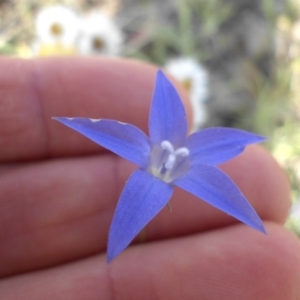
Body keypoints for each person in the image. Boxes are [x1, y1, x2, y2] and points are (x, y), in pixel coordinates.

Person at [0, 57, 299, 299]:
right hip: (150, 180)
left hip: (157, 179)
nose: (168, 154)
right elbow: (100, 131)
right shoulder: (149, 170)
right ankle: (118, 247)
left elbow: (228, 149)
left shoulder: (183, 169)